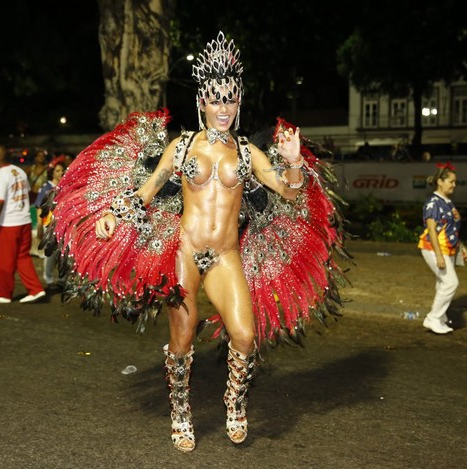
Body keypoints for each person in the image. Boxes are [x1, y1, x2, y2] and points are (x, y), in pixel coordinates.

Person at [45, 32, 348, 452]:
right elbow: (148, 190)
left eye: (231, 99)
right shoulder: (182, 145)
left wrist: (295, 161)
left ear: (238, 102)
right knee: (183, 338)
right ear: (202, 101)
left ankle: (234, 403)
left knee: (244, 336)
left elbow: (291, 192)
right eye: (216, 98)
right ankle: (181, 410)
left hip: (225, 256)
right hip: (186, 252)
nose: (223, 108)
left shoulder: (246, 153)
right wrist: (115, 214)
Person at [0, 145, 46, 304]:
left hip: (8, 224)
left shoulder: (0, 176)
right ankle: (35, 289)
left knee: (4, 260)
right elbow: (29, 194)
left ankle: (4, 293)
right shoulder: (21, 171)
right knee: (22, 257)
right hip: (24, 221)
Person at [418, 162, 467, 334]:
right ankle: (433, 318)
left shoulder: (447, 202)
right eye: (451, 181)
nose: (454, 185)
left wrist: (461, 247)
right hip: (433, 248)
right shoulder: (433, 202)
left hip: (446, 248)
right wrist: (439, 256)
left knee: (443, 282)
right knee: (450, 282)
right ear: (440, 181)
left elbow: (451, 228)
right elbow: (432, 230)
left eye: (455, 182)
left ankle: (440, 317)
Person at [35, 158, 67, 289]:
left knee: (64, 253)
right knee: (50, 254)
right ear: (52, 172)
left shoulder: (66, 186)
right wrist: (39, 226)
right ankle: (48, 279)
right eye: (57, 170)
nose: (60, 173)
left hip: (65, 224)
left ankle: (62, 279)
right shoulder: (46, 188)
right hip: (49, 224)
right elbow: (39, 207)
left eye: (62, 170)